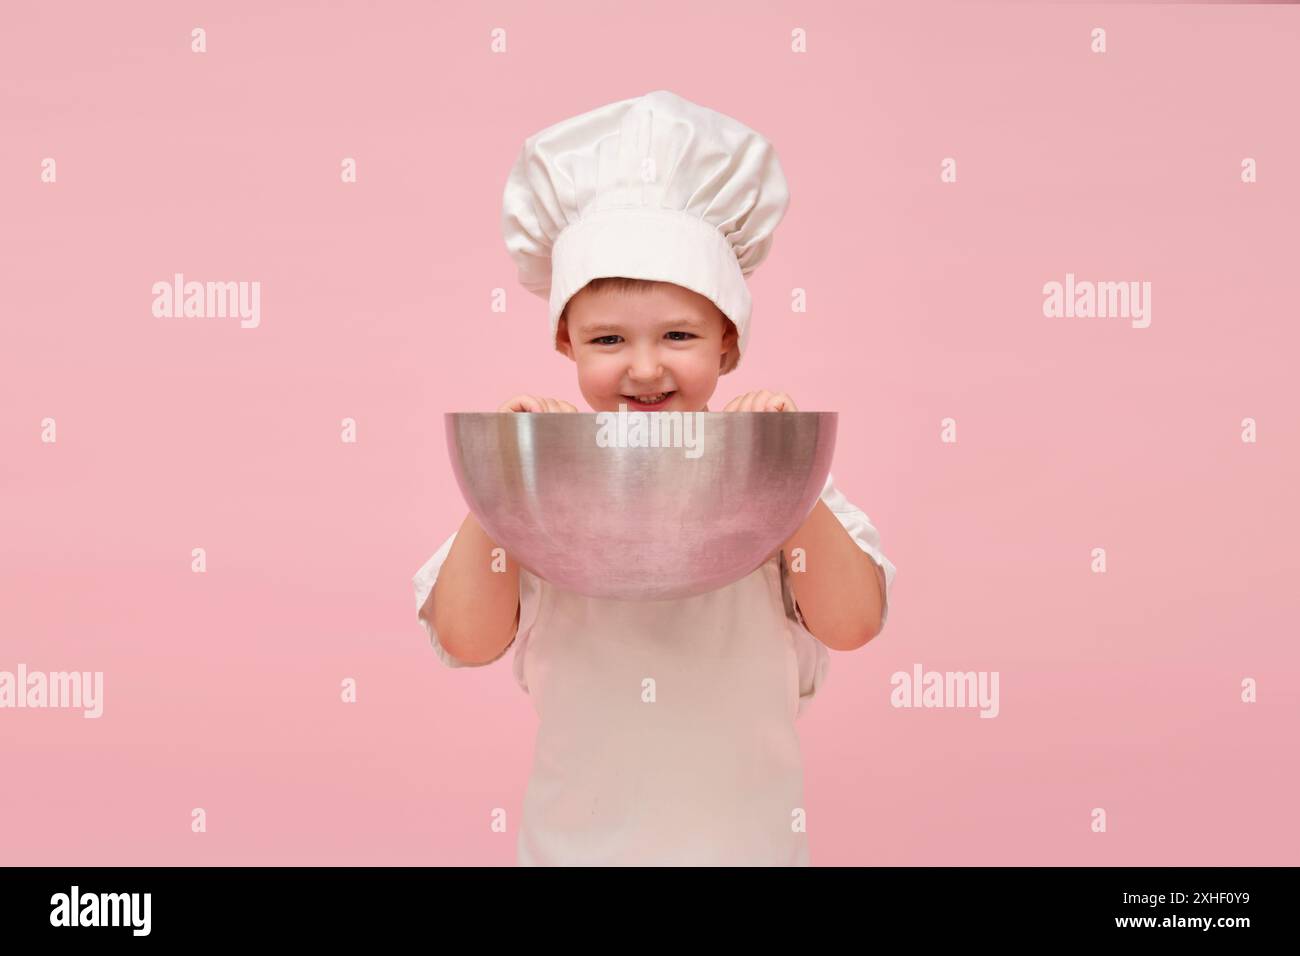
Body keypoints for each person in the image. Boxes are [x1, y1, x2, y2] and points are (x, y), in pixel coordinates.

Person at [414, 90, 897, 865]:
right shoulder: (549, 489)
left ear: (728, 345)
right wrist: (503, 478)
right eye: (608, 338)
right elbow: (467, 639)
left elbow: (854, 621)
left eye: (679, 334)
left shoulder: (772, 476)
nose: (644, 367)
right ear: (566, 344)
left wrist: (784, 470)